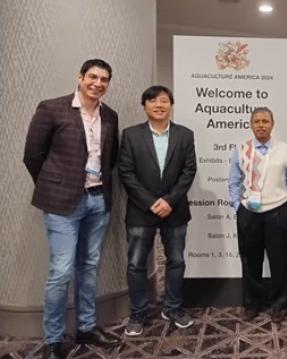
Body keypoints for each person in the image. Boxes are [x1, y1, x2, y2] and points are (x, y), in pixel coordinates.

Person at [23, 59, 120, 359]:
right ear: (79, 77)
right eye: (93, 77)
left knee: (89, 266)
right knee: (61, 271)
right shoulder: (52, 108)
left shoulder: (110, 115)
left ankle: (86, 327)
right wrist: (56, 184)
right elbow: (32, 155)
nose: (98, 83)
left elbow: (111, 158)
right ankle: (53, 339)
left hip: (97, 200)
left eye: (104, 79)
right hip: (63, 203)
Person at [118, 86, 197, 336]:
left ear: (170, 105)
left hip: (175, 210)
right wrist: (151, 202)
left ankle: (172, 307)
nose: (159, 105)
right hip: (141, 210)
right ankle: (138, 312)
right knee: (136, 264)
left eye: (164, 100)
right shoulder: (131, 135)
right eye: (152, 101)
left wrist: (170, 201)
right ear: (145, 106)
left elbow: (189, 171)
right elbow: (126, 173)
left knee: (176, 261)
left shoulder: (185, 135)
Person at [228, 107, 287, 323]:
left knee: (279, 260)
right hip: (249, 213)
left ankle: (279, 304)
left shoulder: (286, 150)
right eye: (257, 121)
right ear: (251, 124)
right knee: (250, 261)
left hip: (278, 211)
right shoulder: (241, 149)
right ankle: (252, 303)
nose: (261, 124)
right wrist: (237, 206)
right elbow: (233, 181)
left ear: (272, 124)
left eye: (265, 121)